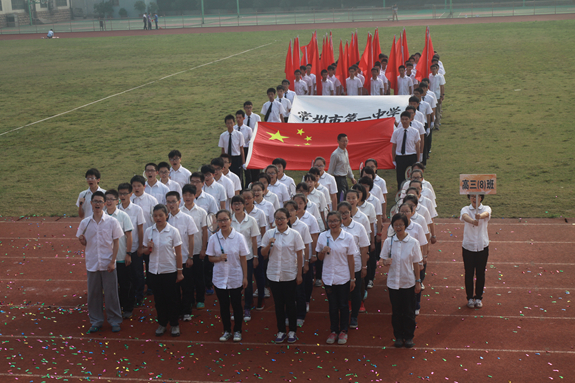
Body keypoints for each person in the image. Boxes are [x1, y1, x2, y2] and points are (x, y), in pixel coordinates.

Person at [76, 191, 123, 334]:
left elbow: (116, 242)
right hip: (92, 263)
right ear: (91, 203)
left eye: (100, 201)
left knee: (111, 294)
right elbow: (83, 241)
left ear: (104, 204)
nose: (97, 204)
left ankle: (114, 320)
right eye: (95, 201)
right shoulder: (85, 222)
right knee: (94, 294)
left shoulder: (112, 221)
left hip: (108, 263)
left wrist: (113, 261)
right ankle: (96, 321)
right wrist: (83, 241)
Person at [261, 208, 304, 343]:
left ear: (288, 219)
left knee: (290, 303)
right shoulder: (269, 234)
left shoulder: (295, 234)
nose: (279, 221)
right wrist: (269, 244)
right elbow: (263, 253)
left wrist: (299, 274)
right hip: (274, 274)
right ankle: (280, 331)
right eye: (277, 218)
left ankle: (292, 331)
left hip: (289, 274)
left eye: (282, 218)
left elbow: (299, 255)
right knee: (278, 304)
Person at [380, 213, 422, 348]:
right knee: (396, 311)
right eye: (396, 225)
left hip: (408, 282)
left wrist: (417, 281)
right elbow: (382, 260)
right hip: (393, 283)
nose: (398, 227)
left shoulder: (413, 242)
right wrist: (385, 261)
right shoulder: (389, 242)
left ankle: (409, 336)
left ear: (406, 225)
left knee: (409, 311)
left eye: (401, 225)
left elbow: (416, 263)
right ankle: (398, 336)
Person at [206, 210, 249, 342]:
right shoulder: (213, 238)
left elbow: (243, 258)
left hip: (235, 276)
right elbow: (210, 258)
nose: (223, 223)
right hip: (219, 278)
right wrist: (219, 258)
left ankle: (237, 330)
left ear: (231, 220)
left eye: (225, 219)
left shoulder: (239, 237)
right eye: (220, 220)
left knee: (236, 305)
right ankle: (226, 331)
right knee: (224, 306)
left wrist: (245, 277)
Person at [142, 204, 184, 337]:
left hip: (169, 271)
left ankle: (174, 324)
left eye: (161, 215)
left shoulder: (173, 231)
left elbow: (178, 253)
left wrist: (179, 271)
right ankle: (162, 323)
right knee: (159, 300)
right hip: (154, 271)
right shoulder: (149, 231)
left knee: (172, 299)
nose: (158, 218)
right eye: (155, 216)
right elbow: (142, 251)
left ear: (167, 215)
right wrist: (147, 248)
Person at [316, 211, 357, 345]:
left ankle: (343, 331)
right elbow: (319, 258)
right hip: (329, 277)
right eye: (330, 221)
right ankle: (334, 330)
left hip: (343, 277)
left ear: (341, 221)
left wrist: (352, 278)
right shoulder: (323, 236)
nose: (332, 223)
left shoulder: (348, 237)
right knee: (333, 306)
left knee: (343, 305)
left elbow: (351, 259)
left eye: (335, 221)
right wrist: (323, 251)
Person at [166, 191, 199, 322]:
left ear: (179, 202)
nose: (171, 204)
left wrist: (190, 256)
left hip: (185, 258)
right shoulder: (165, 219)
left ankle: (186, 310)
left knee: (186, 287)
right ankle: (176, 311)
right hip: (169, 261)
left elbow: (191, 239)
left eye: (174, 201)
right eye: (169, 202)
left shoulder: (187, 218)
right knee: (173, 289)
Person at [338, 201, 369, 329]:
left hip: (355, 265)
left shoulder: (359, 227)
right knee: (342, 293)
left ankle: (354, 316)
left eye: (346, 212)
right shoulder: (335, 226)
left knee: (356, 292)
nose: (343, 215)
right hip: (340, 266)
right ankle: (344, 316)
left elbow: (363, 247)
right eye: (341, 212)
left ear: (351, 212)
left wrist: (364, 266)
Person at [104, 190, 134, 319]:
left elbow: (129, 236)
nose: (109, 201)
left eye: (112, 199)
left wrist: (128, 253)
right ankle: (115, 308)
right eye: (107, 199)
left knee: (125, 284)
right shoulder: (101, 217)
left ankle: (127, 308)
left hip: (121, 257)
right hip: (107, 258)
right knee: (111, 286)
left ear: (117, 201)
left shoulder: (123, 216)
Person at [230, 195, 260, 322]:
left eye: (239, 204)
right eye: (235, 204)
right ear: (231, 206)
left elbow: (254, 239)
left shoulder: (251, 220)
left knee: (246, 283)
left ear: (244, 205)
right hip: (232, 258)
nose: (237, 206)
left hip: (247, 257)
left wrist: (255, 256)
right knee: (234, 285)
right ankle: (236, 308)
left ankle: (247, 307)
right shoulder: (228, 220)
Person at [284, 200, 313, 327]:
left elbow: (307, 246)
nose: (289, 212)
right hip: (286, 264)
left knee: (299, 291)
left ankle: (300, 315)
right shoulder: (281, 227)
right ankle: (288, 315)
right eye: (287, 210)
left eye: (292, 210)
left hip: (299, 263)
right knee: (287, 292)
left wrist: (306, 262)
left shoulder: (302, 226)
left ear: (297, 211)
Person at [180, 184, 208, 312]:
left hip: (197, 250)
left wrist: (203, 248)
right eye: (185, 195)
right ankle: (189, 299)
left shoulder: (201, 212)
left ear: (195, 196)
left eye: (190, 195)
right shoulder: (179, 212)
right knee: (187, 278)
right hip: (185, 251)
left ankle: (200, 299)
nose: (188, 197)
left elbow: (205, 231)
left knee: (199, 277)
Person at [117, 183, 146, 308]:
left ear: (131, 194)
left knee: (137, 273)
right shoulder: (115, 209)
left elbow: (140, 229)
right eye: (120, 194)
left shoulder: (137, 209)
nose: (122, 196)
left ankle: (138, 296)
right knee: (124, 275)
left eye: (125, 193)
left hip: (134, 248)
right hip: (120, 249)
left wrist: (140, 246)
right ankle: (125, 297)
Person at [460, 194, 491, 309]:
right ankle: (469, 298)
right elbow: (464, 216)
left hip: (482, 246)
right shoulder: (465, 209)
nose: (474, 198)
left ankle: (478, 297)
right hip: (468, 246)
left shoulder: (486, 208)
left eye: (477, 196)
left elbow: (486, 214)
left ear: (481, 198)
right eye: (472, 196)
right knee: (469, 273)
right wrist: (473, 221)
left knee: (480, 273)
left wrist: (480, 216)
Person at [130, 175, 158, 298]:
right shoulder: (128, 200)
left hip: (149, 238)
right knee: (136, 269)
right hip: (134, 239)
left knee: (150, 263)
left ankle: (151, 286)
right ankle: (138, 291)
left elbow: (156, 219)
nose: (136, 188)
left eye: (139, 186)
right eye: (134, 186)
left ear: (144, 186)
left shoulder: (152, 200)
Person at [293, 193, 320, 304]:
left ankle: (306, 300)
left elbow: (314, 236)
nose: (298, 205)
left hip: (306, 255)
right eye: (296, 203)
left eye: (301, 203)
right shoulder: (289, 218)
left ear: (306, 204)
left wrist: (313, 254)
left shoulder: (310, 218)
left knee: (306, 280)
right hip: (292, 255)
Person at [391, 112, 420, 190]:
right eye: (402, 119)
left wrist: (418, 160)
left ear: (410, 120)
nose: (404, 121)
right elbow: (394, 147)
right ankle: (401, 192)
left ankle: (413, 190)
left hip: (411, 156)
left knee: (412, 176)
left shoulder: (415, 131)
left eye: (406, 119)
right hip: (400, 157)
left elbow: (417, 147)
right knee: (400, 177)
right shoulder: (396, 132)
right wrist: (393, 159)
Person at [328, 133, 356, 202]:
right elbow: (331, 168)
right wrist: (328, 182)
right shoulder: (335, 154)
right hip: (338, 179)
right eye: (343, 141)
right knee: (341, 199)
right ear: (338, 141)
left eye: (346, 141)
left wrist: (351, 177)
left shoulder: (345, 151)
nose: (345, 143)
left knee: (346, 197)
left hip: (344, 178)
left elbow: (347, 165)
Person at [218, 115, 245, 181]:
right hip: (227, 158)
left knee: (238, 176)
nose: (229, 125)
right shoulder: (223, 135)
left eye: (231, 123)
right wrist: (222, 161)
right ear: (225, 124)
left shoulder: (239, 134)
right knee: (227, 175)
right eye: (228, 123)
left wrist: (243, 162)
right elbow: (223, 149)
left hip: (236, 157)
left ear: (234, 123)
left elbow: (241, 148)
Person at [234, 110, 252, 187]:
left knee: (247, 171)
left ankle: (247, 186)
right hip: (237, 150)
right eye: (237, 117)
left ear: (243, 118)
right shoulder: (234, 128)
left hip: (246, 149)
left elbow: (251, 140)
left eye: (240, 117)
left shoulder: (248, 129)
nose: (238, 119)